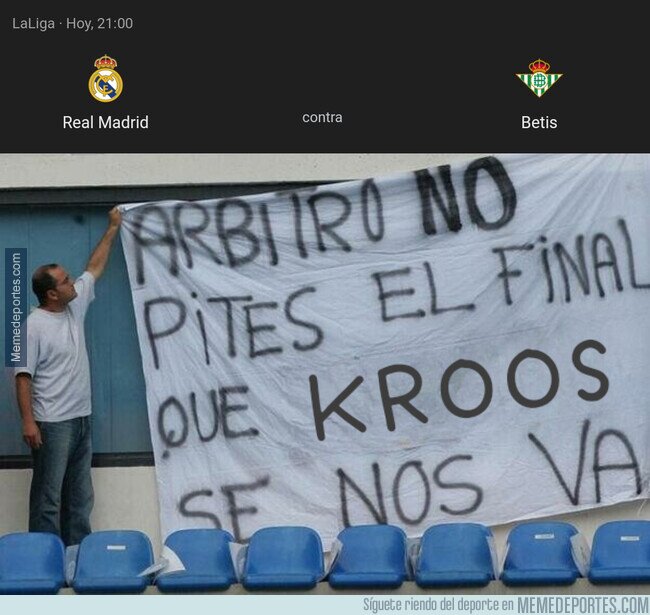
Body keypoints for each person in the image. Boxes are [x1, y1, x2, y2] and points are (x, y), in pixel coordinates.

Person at [15, 206, 122, 547]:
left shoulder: (74, 307)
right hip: (52, 424)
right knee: (48, 498)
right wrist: (29, 422)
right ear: (51, 294)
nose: (71, 280)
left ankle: (77, 559)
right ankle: (43, 561)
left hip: (81, 419)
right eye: (64, 280)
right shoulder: (30, 327)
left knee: (80, 497)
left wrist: (113, 227)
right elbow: (22, 377)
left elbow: (94, 267)